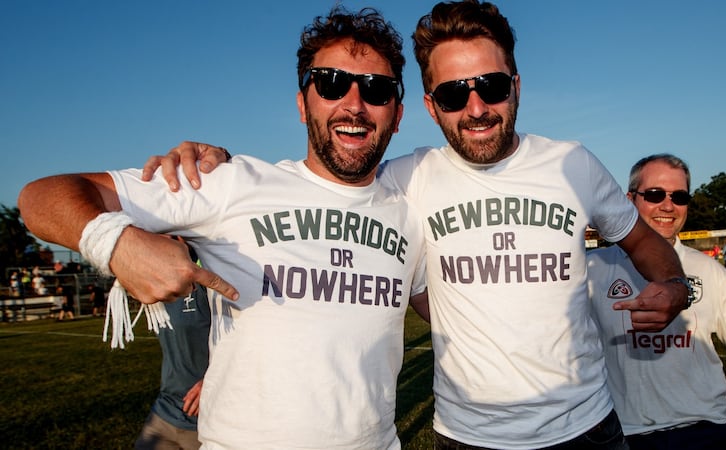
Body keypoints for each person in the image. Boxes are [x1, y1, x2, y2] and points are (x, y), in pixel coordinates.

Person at [145, 1, 694, 448]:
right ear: (431, 107)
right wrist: (216, 160)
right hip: (468, 437)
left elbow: (642, 237)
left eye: (492, 86)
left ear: (517, 86)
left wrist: (674, 286)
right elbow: (326, 184)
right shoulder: (405, 179)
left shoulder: (573, 164)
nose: (476, 107)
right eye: (456, 94)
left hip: (587, 428)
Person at [19, 6, 427, 449]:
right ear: (301, 103)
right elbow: (42, 196)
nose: (354, 104)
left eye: (376, 89)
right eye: (330, 84)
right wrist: (116, 242)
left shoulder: (410, 210)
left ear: (398, 114)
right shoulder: (229, 182)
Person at [587, 154, 726, 450]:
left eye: (679, 197)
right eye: (655, 194)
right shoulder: (591, 267)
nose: (668, 206)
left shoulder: (711, 271)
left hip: (703, 430)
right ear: (630, 199)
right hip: (620, 434)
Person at [135, 241, 211, 450]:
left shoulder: (207, 276)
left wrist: (214, 378)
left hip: (206, 419)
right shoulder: (160, 284)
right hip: (164, 412)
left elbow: (250, 337)